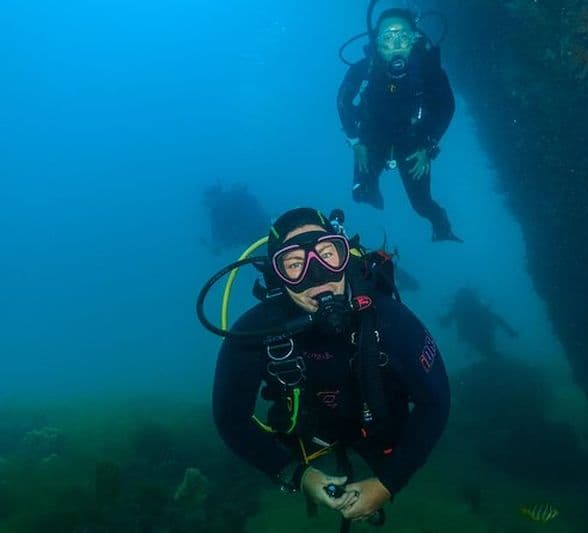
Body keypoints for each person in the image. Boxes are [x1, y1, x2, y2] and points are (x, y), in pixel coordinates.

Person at [211, 207, 450, 524]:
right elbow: (230, 419)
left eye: (327, 254)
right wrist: (298, 475)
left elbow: (435, 401)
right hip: (310, 440)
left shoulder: (389, 319)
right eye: (295, 264)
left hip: (380, 432)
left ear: (345, 255)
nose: (317, 275)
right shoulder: (255, 333)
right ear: (276, 276)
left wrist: (387, 484)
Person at [337, 8, 460, 242]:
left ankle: (441, 225)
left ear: (415, 38)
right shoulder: (363, 69)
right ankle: (372, 193)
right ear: (377, 42)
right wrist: (355, 142)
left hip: (414, 143)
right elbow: (342, 101)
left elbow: (447, 107)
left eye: (403, 36)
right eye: (388, 38)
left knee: (422, 204)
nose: (396, 45)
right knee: (361, 191)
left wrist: (428, 145)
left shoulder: (430, 71)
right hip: (371, 139)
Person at [439, 287, 518, 360]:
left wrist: (442, 321)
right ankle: (492, 356)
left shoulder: (458, 308)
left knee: (486, 350)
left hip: (475, 334)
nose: (466, 304)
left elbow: (446, 322)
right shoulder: (467, 307)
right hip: (480, 333)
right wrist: (510, 331)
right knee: (487, 350)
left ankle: (491, 356)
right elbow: (497, 318)